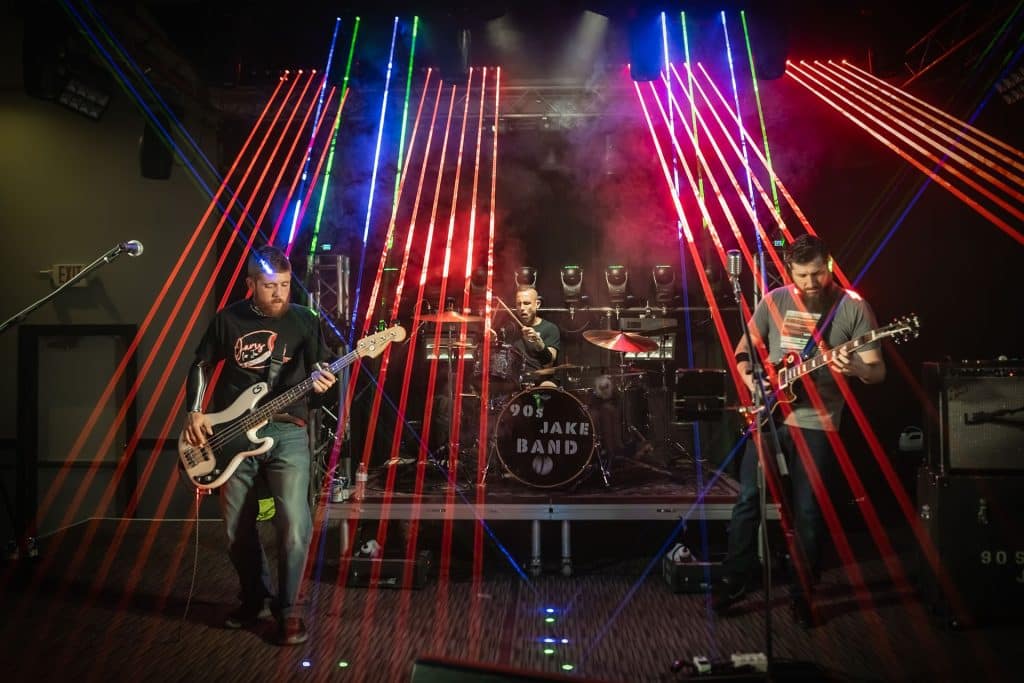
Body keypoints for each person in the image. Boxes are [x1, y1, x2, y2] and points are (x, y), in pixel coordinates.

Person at [712, 234, 885, 627]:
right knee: (748, 500)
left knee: (808, 510)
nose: (810, 282)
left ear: (830, 264)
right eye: (802, 275)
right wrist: (752, 379)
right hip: (770, 416)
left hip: (817, 422)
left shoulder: (852, 307)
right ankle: (733, 581)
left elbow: (878, 371)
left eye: (818, 273)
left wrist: (857, 368)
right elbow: (744, 349)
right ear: (789, 270)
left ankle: (802, 592)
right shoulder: (775, 300)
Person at [182, 244, 337, 646]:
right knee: (236, 529)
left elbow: (319, 373)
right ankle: (255, 600)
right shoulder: (228, 319)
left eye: (284, 285)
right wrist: (195, 410)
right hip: (232, 434)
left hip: (287, 430)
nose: (279, 293)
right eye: (270, 286)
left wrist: (323, 382)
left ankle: (289, 610)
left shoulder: (305, 321)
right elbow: (201, 363)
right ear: (250, 284)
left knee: (295, 524)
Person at [510, 286, 560, 384]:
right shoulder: (510, 329)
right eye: (519, 304)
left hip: (540, 382)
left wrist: (538, 341)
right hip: (514, 383)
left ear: (537, 304)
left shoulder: (550, 328)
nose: (522, 308)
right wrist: (493, 341)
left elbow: (548, 364)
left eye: (526, 303)